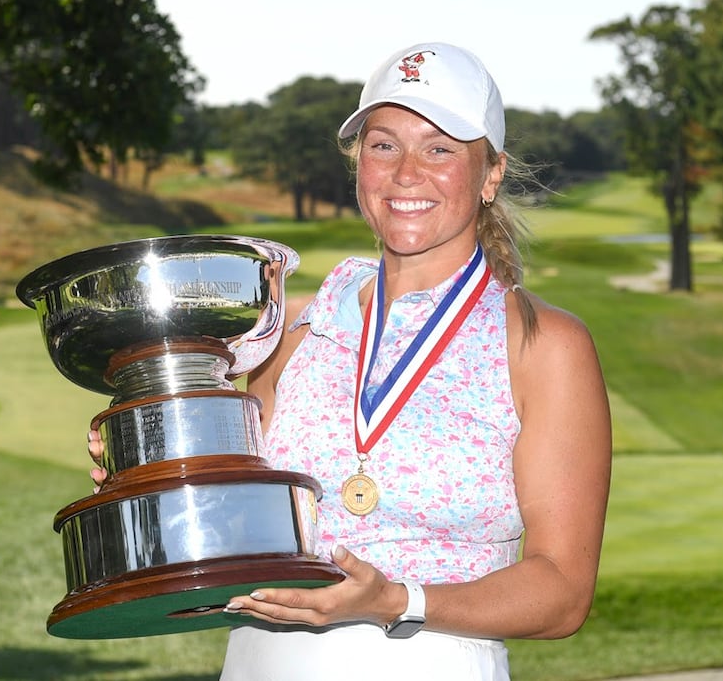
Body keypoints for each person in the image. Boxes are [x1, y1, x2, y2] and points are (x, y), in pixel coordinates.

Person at [93, 41, 612, 680]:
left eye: (440, 148)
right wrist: (147, 456)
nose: (405, 173)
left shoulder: (544, 345)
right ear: (358, 162)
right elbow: (226, 506)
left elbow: (562, 591)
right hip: (263, 661)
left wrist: (398, 599)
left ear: (490, 175)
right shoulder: (298, 324)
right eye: (383, 144)